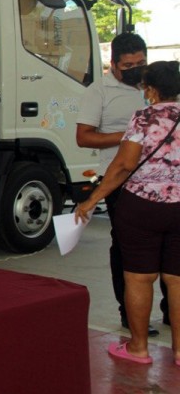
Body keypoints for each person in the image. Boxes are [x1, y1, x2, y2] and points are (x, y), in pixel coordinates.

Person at [75, 61, 180, 364]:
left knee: (138, 278)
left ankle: (138, 348)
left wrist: (91, 199)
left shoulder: (144, 119)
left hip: (142, 209)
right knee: (176, 280)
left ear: (151, 90)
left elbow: (123, 165)